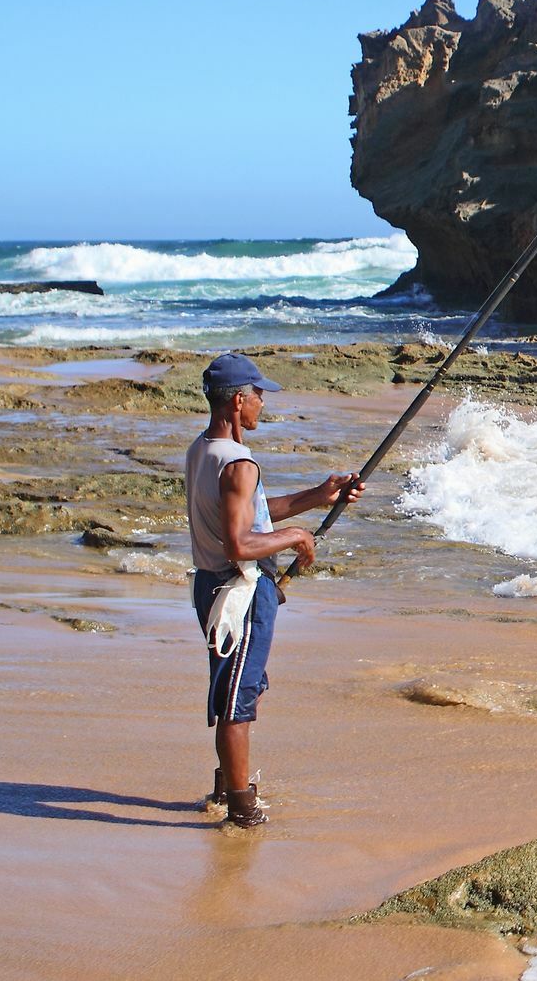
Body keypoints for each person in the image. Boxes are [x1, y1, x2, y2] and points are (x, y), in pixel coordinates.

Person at [185, 353, 363, 828]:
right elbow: (241, 543)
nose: (263, 402)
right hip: (239, 592)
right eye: (258, 394)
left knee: (236, 691)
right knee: (237, 700)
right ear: (238, 400)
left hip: (211, 587)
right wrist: (299, 537)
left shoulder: (203, 449)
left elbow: (250, 515)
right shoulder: (240, 464)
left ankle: (230, 785)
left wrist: (317, 496)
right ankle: (242, 808)